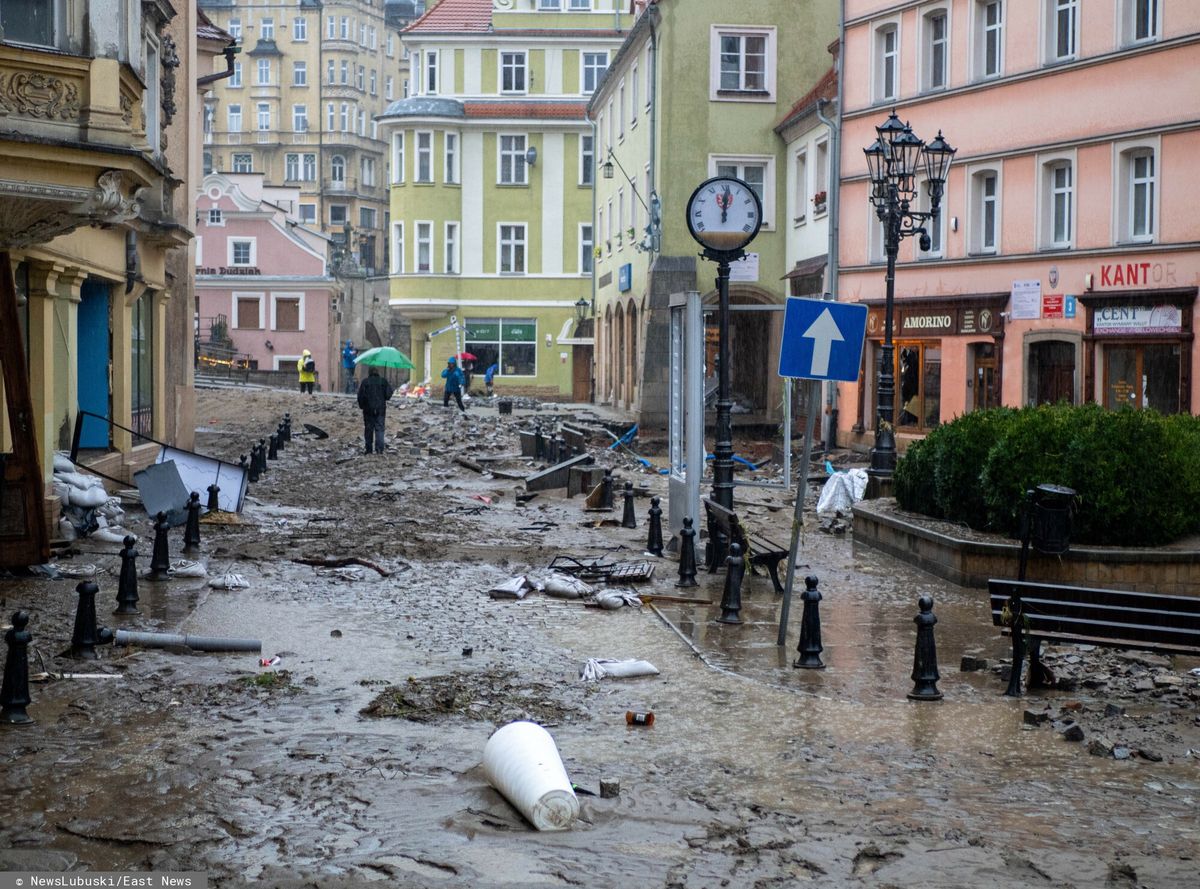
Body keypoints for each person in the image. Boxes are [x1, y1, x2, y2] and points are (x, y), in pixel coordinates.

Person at [356, 367, 394, 454]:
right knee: (380, 429)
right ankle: (379, 449)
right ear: (378, 372)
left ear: (369, 373)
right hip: (380, 410)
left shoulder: (365, 382)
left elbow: (360, 396)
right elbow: (388, 395)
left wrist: (362, 406)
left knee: (368, 430)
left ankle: (369, 449)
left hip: (368, 410)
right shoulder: (383, 381)